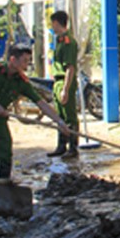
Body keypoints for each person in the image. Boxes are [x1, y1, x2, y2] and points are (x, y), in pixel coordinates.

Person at [0, 45, 69, 203]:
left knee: (5, 152)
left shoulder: (22, 81)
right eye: (25, 61)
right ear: (12, 59)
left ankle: (2, 191)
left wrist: (59, 122)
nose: (27, 65)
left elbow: (40, 103)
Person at [47, 11, 80, 159]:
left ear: (57, 23)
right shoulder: (59, 41)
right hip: (57, 81)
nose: (52, 27)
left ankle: (73, 147)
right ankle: (61, 145)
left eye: (52, 24)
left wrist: (65, 89)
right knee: (59, 115)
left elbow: (70, 67)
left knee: (69, 116)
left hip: (66, 81)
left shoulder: (68, 42)